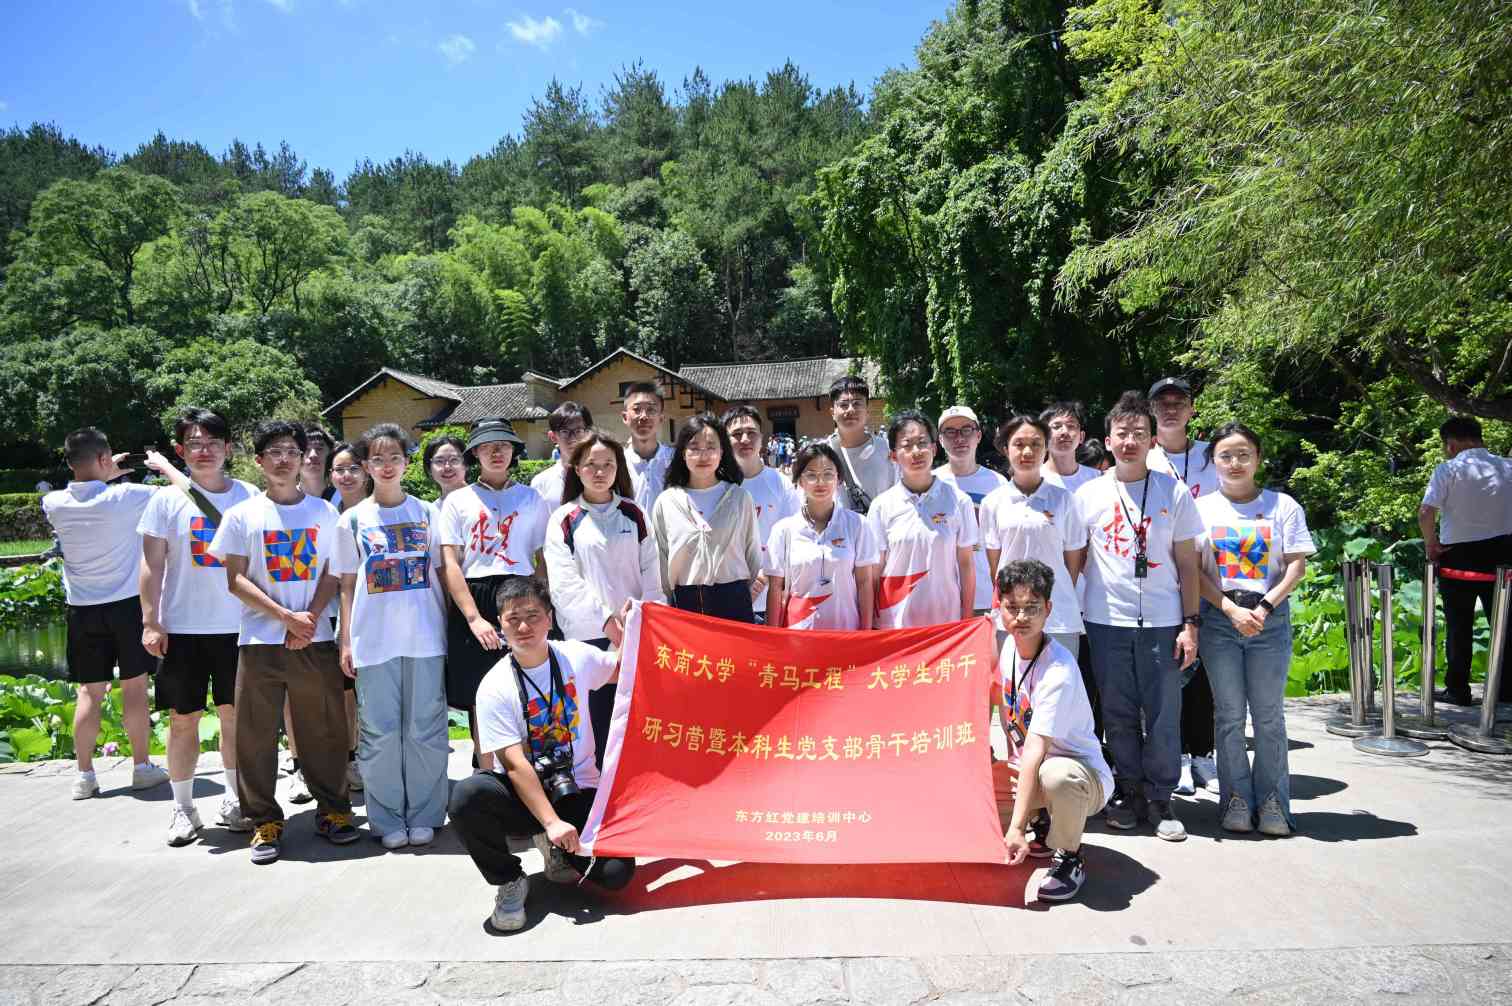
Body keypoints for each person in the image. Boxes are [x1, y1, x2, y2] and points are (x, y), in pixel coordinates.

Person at [447, 575, 636, 932]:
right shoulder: (494, 687)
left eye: (533, 615)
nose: (523, 626)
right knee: (467, 796)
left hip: (576, 788)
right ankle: (509, 879)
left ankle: (559, 851)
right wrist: (551, 823)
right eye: (512, 618)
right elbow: (514, 765)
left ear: (550, 618)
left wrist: (631, 628)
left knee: (616, 874)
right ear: (500, 624)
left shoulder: (575, 656)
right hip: (525, 795)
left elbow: (620, 669)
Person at [208, 420, 358, 864]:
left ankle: (333, 810)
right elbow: (234, 578)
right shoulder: (243, 515)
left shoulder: (323, 513)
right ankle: (264, 821)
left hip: (316, 636)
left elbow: (335, 572)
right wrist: (284, 618)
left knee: (325, 730)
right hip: (259, 641)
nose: (284, 459)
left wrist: (308, 618)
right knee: (255, 733)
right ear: (258, 461)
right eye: (273, 451)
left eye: (291, 451)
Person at [1071, 391, 1203, 842]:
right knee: (1118, 711)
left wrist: (1191, 624)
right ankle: (1127, 791)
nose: (1130, 441)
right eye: (1122, 433)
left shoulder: (1173, 490)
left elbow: (1188, 563)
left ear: (1152, 442)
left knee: (1165, 712)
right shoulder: (1088, 494)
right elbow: (1076, 560)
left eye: (1139, 434)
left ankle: (1162, 797)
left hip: (1164, 618)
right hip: (1106, 620)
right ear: (1107, 440)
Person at [138, 408, 257, 844]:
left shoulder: (248, 495)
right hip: (183, 628)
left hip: (238, 627)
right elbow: (150, 566)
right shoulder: (164, 501)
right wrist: (151, 621)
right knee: (183, 718)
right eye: (194, 444)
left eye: (211, 443)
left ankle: (233, 800)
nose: (203, 451)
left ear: (228, 448)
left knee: (233, 717)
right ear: (180, 451)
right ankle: (183, 808)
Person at [334, 423, 450, 850]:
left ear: (406, 462)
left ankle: (425, 812)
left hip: (425, 637)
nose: (386, 466)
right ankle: (386, 818)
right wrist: (346, 639)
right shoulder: (352, 520)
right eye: (377, 459)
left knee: (426, 728)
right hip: (373, 639)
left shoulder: (427, 513)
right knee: (380, 732)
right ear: (366, 466)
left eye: (394, 457)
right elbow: (347, 584)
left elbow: (442, 571)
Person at [1195, 423, 1315, 836]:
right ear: (1213, 462)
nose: (1235, 462)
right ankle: (1235, 800)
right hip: (1220, 619)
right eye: (1226, 455)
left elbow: (1296, 566)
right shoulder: (1201, 509)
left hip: (1270, 619)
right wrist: (1229, 608)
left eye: (1244, 454)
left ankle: (1273, 804)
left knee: (1268, 717)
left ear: (1258, 458)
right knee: (1228, 716)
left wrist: (1263, 607)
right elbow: (1193, 570)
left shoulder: (1283, 506)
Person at [42, 428, 168, 799]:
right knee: (134, 689)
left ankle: (84, 775)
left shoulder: (53, 503)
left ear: (68, 462)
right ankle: (142, 767)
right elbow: (179, 492)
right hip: (127, 607)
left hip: (81, 610)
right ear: (103, 458)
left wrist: (99, 470)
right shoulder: (129, 496)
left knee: (88, 692)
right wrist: (113, 473)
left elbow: (79, 487)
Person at [544, 431, 665, 768]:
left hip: (635, 633)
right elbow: (564, 584)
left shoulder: (635, 514)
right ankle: (595, 803)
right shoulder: (563, 520)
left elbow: (652, 573)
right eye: (591, 465)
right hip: (589, 638)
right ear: (576, 469)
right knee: (595, 726)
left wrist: (642, 616)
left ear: (618, 469)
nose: (599, 472)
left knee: (636, 724)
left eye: (608, 464)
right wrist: (607, 623)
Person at [996, 559, 1113, 902]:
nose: (1021, 617)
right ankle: (1044, 821)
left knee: (1055, 774)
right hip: (1031, 769)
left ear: (1048, 609)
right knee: (976, 786)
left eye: (1032, 607)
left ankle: (1069, 855)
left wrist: (1016, 826)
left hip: (1079, 776)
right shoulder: (1008, 648)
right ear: (999, 607)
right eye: (1013, 607)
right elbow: (1011, 724)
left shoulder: (1058, 669)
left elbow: (1035, 749)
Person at [438, 417, 550, 773]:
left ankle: (529, 772)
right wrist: (473, 617)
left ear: (514, 451)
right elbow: (451, 563)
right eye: (487, 447)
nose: (496, 452)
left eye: (502, 446)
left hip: (520, 593)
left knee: (526, 683)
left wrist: (539, 606)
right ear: (475, 454)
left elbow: (542, 557)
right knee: (478, 692)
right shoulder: (457, 501)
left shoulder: (531, 498)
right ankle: (485, 775)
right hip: (477, 595)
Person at [1142, 377, 1219, 796]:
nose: (1170, 408)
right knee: (1173, 672)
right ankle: (1179, 758)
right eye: (1162, 402)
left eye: (1179, 401)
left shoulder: (1212, 455)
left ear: (1192, 409)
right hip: (1164, 580)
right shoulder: (1143, 457)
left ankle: (1204, 753)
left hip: (1214, 578)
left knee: (1208, 672)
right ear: (1152, 411)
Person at [1419, 415, 1512, 705]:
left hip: (1457, 555)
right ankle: (1506, 690)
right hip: (1505, 553)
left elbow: (1425, 512)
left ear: (1453, 443)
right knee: (1505, 624)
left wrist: (1431, 545)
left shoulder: (1448, 470)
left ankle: (1458, 689)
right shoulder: (1508, 467)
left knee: (1459, 624)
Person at [980, 416, 1087, 653]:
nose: (1027, 451)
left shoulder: (1065, 500)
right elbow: (995, 565)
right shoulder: (993, 503)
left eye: (1036, 444)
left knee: (1060, 683)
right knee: (1013, 686)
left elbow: (1072, 564)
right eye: (1018, 444)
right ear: (1005, 449)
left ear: (1046, 449)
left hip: (1058, 616)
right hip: (1010, 617)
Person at [868, 410, 977, 628]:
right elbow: (873, 571)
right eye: (907, 445)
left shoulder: (958, 501)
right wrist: (871, 622)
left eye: (922, 443)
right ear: (893, 455)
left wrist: (966, 619)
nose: (916, 451)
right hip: (894, 622)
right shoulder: (882, 506)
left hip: (946, 621)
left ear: (934, 448)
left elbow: (965, 565)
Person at [651, 414, 763, 621]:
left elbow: (753, 554)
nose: (703, 456)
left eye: (711, 447)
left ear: (722, 452)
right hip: (684, 603)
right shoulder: (666, 502)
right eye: (694, 447)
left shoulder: (740, 498)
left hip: (734, 601)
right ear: (682, 454)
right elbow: (661, 558)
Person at [765, 442, 880, 630]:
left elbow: (864, 582)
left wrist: (865, 632)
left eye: (828, 474)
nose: (820, 482)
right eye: (811, 475)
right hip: (798, 633)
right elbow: (776, 588)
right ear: (800, 481)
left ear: (838, 479)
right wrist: (772, 637)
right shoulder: (783, 530)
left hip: (845, 631)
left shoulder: (858, 525)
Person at [722, 406, 800, 620]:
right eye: (736, 434)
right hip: (728, 596)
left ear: (762, 438)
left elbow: (790, 539)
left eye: (751, 432)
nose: (745, 439)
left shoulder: (781, 483)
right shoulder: (718, 486)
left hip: (772, 597)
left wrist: (763, 577)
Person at [933, 406, 1007, 617]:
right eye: (950, 432)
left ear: (978, 435)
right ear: (940, 440)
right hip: (942, 597)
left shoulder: (997, 483)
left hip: (987, 594)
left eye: (966, 429)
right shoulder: (931, 482)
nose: (959, 438)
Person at [329, 440, 371, 791]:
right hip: (334, 615)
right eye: (339, 469)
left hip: (377, 616)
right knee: (344, 691)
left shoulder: (381, 510)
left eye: (353, 468)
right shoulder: (326, 513)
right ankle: (349, 757)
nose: (346, 475)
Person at [825, 376, 897, 513]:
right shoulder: (822, 454)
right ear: (832, 412)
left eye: (857, 404)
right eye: (843, 405)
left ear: (867, 411)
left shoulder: (886, 449)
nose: (850, 410)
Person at [621, 382, 674, 516]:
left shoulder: (675, 460)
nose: (644, 416)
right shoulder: (617, 463)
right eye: (637, 409)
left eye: (651, 410)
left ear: (661, 418)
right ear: (625, 417)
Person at [530, 402, 593, 512]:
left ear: (588, 433)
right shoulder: (541, 483)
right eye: (565, 431)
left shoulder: (603, 477)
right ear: (553, 436)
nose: (572, 438)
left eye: (578, 431)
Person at [1039, 402, 1102, 495]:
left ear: (1081, 436)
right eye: (1056, 426)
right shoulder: (1031, 479)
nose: (1064, 432)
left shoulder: (1097, 478)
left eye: (1071, 426)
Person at [300, 424, 338, 503]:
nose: (313, 455)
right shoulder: (285, 500)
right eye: (306, 449)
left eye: (319, 448)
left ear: (331, 454)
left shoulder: (343, 499)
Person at [424, 434, 470, 499]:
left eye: (454, 459)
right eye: (439, 461)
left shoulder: (484, 499)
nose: (447, 467)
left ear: (466, 464)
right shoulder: (431, 508)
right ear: (429, 469)